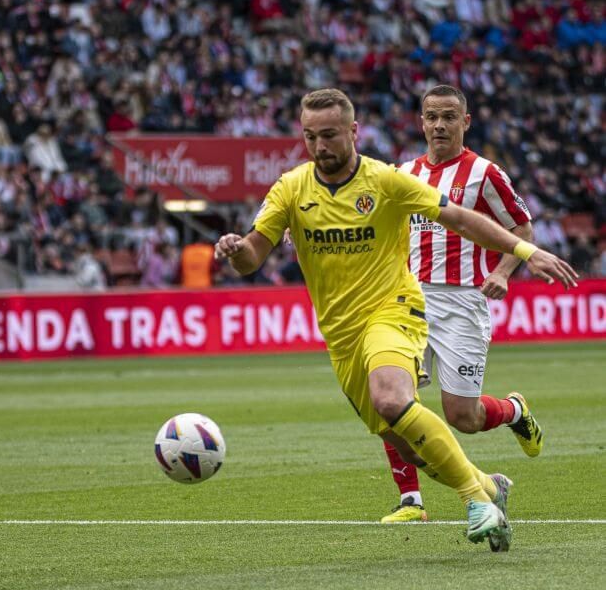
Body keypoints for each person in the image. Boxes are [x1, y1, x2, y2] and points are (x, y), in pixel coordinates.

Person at [214, 89, 577, 552]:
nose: (320, 146)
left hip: (402, 307)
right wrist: (235, 251)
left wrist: (522, 254)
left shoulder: (388, 180)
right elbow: (252, 257)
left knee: (403, 400)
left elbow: (462, 219)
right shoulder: (291, 188)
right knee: (407, 439)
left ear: (353, 131)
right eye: (310, 137)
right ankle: (487, 486)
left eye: (329, 135)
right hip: (342, 333)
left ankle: (470, 500)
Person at [380, 85, 543, 524]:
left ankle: (514, 411)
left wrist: (503, 272)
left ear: (465, 122)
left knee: (462, 417)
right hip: (407, 301)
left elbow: (523, 231)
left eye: (449, 116)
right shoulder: (405, 172)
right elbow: (371, 216)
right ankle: (411, 501)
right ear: (421, 122)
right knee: (392, 397)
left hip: (462, 303)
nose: (439, 125)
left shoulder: (485, 174)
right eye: (431, 116)